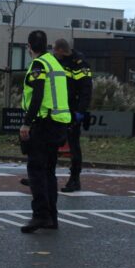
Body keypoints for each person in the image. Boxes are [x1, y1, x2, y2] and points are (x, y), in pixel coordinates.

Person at [18, 30, 72, 233]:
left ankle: (40, 215)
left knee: (36, 170)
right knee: (49, 171)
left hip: (44, 123)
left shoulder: (39, 65)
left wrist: (26, 123)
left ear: (29, 47)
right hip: (59, 123)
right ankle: (51, 217)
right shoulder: (55, 63)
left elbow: (38, 95)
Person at [53, 38, 93, 193]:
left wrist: (80, 112)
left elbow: (86, 89)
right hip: (59, 108)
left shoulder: (80, 64)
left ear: (62, 50)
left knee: (74, 146)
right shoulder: (59, 62)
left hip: (73, 110)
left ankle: (75, 179)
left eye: (55, 50)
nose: (54, 53)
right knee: (50, 143)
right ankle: (43, 175)